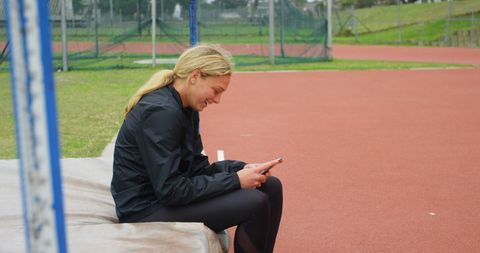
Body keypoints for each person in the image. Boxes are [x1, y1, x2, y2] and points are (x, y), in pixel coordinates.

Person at [110, 44, 283, 253]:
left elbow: (198, 169)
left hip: (164, 199)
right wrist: (236, 180)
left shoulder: (186, 108)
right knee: (255, 202)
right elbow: (171, 191)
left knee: (271, 186)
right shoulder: (161, 112)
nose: (217, 100)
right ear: (195, 76)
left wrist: (242, 169)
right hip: (144, 210)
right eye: (216, 90)